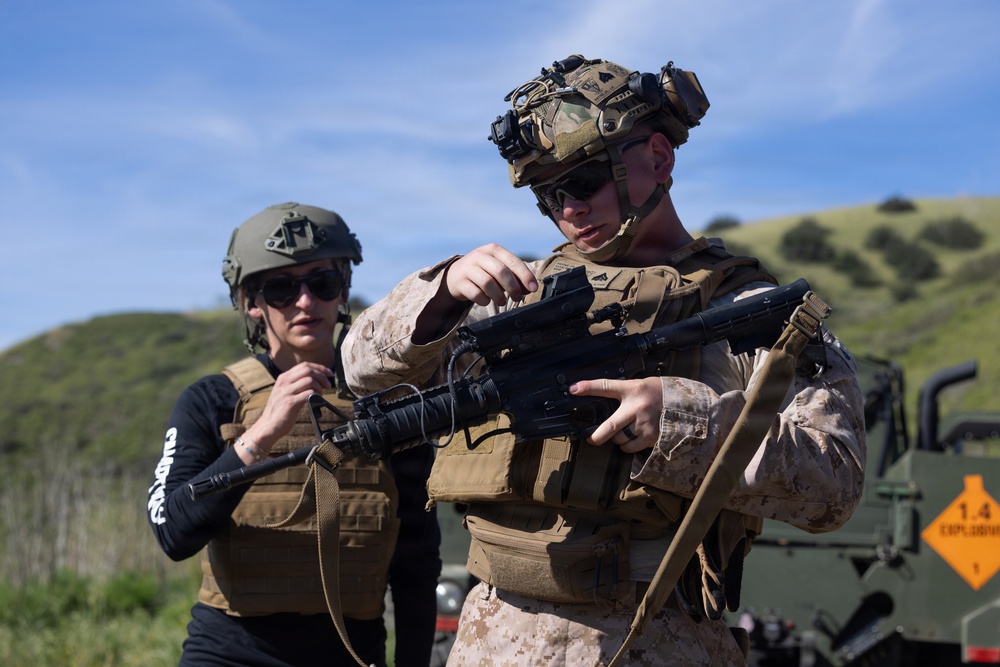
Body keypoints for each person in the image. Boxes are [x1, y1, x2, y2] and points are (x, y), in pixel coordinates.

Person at [340, 55, 867, 666]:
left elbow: (836, 487)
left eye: (584, 181)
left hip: (656, 638)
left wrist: (682, 421)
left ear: (659, 159)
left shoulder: (749, 310)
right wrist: (440, 292)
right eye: (548, 194)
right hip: (494, 637)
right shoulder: (518, 295)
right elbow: (361, 369)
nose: (569, 209)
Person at [147, 202, 441, 667]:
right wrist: (261, 434)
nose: (305, 302)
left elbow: (416, 563)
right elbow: (172, 531)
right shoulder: (213, 400)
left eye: (322, 283)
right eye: (281, 289)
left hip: (351, 651)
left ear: (343, 288)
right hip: (230, 654)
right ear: (251, 302)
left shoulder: (390, 401)